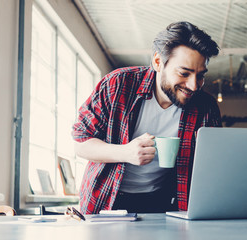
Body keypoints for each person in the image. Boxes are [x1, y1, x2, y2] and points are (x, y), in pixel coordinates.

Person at [72, 21, 221, 214]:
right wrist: (125, 152)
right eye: (184, 73)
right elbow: (81, 144)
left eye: (200, 76)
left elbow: (212, 164)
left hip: (165, 202)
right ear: (158, 62)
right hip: (107, 199)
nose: (193, 85)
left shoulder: (206, 107)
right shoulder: (117, 84)